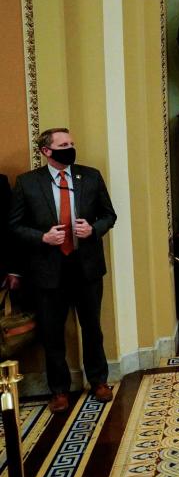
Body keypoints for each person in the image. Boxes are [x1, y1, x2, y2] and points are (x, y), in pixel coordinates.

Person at [9, 128, 117, 413]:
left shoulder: (90, 176)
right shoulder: (27, 182)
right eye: (63, 145)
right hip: (48, 269)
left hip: (87, 267)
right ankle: (58, 390)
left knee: (92, 327)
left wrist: (93, 229)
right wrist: (42, 237)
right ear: (47, 151)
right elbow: (14, 226)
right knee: (52, 332)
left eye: (71, 143)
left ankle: (99, 381)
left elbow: (109, 215)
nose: (69, 148)